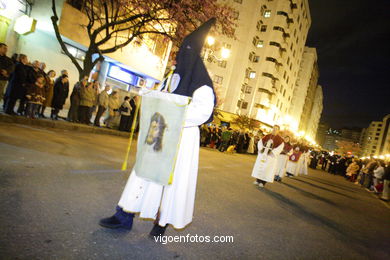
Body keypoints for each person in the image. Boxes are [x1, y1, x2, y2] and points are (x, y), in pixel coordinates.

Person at [99, 18, 216, 237]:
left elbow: (202, 113)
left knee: (170, 183)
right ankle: (124, 215)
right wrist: (149, 95)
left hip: (181, 140)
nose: (181, 58)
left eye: (187, 53)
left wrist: (174, 113)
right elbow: (161, 97)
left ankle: (161, 222)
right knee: (142, 173)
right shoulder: (172, 77)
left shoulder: (203, 86)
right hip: (160, 134)